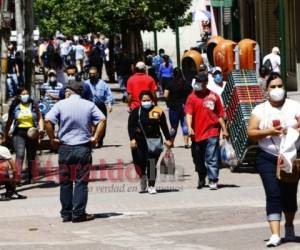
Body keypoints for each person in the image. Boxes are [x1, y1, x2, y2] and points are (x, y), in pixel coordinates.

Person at [247, 72, 300, 247]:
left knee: (290, 194)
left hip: (291, 156)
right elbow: (252, 132)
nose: (277, 89)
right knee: (273, 193)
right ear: (266, 90)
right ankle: (275, 234)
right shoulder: (260, 110)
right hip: (267, 157)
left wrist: (293, 130)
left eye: (280, 86)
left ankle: (290, 227)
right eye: (273, 87)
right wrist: (269, 131)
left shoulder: (294, 106)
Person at [45, 80, 106, 223]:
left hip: (65, 148)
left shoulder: (60, 104)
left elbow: (48, 120)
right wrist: (95, 138)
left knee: (65, 182)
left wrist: (52, 138)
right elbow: (102, 120)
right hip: (82, 148)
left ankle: (66, 214)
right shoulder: (89, 105)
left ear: (68, 91)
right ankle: (78, 213)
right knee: (81, 182)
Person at [185, 72, 229, 190]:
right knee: (197, 158)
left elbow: (220, 114)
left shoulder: (214, 96)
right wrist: (189, 127)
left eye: (199, 82)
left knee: (211, 156)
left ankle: (213, 179)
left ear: (205, 83)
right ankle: (201, 175)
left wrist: (224, 129)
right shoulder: (192, 97)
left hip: (212, 131)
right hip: (197, 134)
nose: (196, 84)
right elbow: (188, 114)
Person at [128, 91, 173, 194]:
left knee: (151, 163)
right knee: (139, 163)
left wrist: (168, 139)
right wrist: (132, 139)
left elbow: (164, 126)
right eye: (144, 100)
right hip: (139, 142)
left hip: (155, 142)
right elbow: (130, 126)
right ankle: (142, 176)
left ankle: (152, 185)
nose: (146, 102)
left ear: (152, 100)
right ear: (140, 101)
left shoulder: (158, 111)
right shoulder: (136, 112)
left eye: (148, 100)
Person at [4, 88, 44, 184]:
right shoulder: (14, 106)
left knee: (32, 156)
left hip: (32, 132)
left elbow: (39, 117)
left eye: (27, 93)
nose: (25, 95)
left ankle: (32, 176)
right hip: (19, 132)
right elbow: (9, 121)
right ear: (18, 96)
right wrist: (6, 133)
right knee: (20, 154)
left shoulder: (33, 104)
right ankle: (17, 177)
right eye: (23, 94)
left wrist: (41, 129)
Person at [85, 67, 114, 147]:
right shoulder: (85, 83)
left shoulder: (103, 84)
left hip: (100, 106)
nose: (92, 75)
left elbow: (108, 95)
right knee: (90, 124)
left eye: (93, 74)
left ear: (97, 74)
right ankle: (91, 140)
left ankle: (99, 140)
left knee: (102, 123)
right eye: (90, 74)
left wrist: (109, 105)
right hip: (89, 106)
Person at [164, 68, 192, 148]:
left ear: (173, 74)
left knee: (173, 126)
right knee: (185, 125)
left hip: (173, 108)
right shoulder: (186, 83)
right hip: (184, 107)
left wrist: (168, 102)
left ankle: (171, 142)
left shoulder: (170, 83)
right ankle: (186, 143)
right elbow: (192, 93)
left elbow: (166, 95)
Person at [0, 131, 27, 201]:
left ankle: (11, 192)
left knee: (4, 166)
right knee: (3, 166)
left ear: (3, 140)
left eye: (0, 138)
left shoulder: (3, 149)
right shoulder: (3, 149)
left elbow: (13, 167)